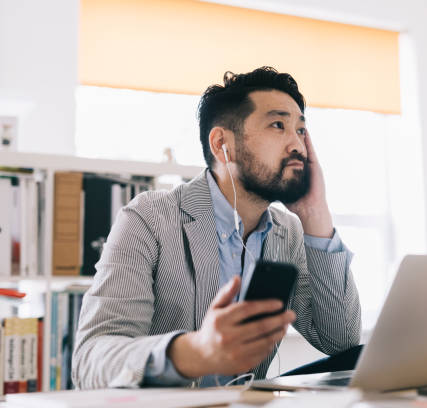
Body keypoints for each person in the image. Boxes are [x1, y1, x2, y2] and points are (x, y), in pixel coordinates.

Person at [72, 67, 361, 389]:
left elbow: (341, 342)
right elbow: (90, 361)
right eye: (278, 125)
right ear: (222, 143)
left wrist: (314, 213)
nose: (298, 145)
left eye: (302, 130)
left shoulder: (288, 232)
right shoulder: (150, 218)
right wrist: (196, 352)